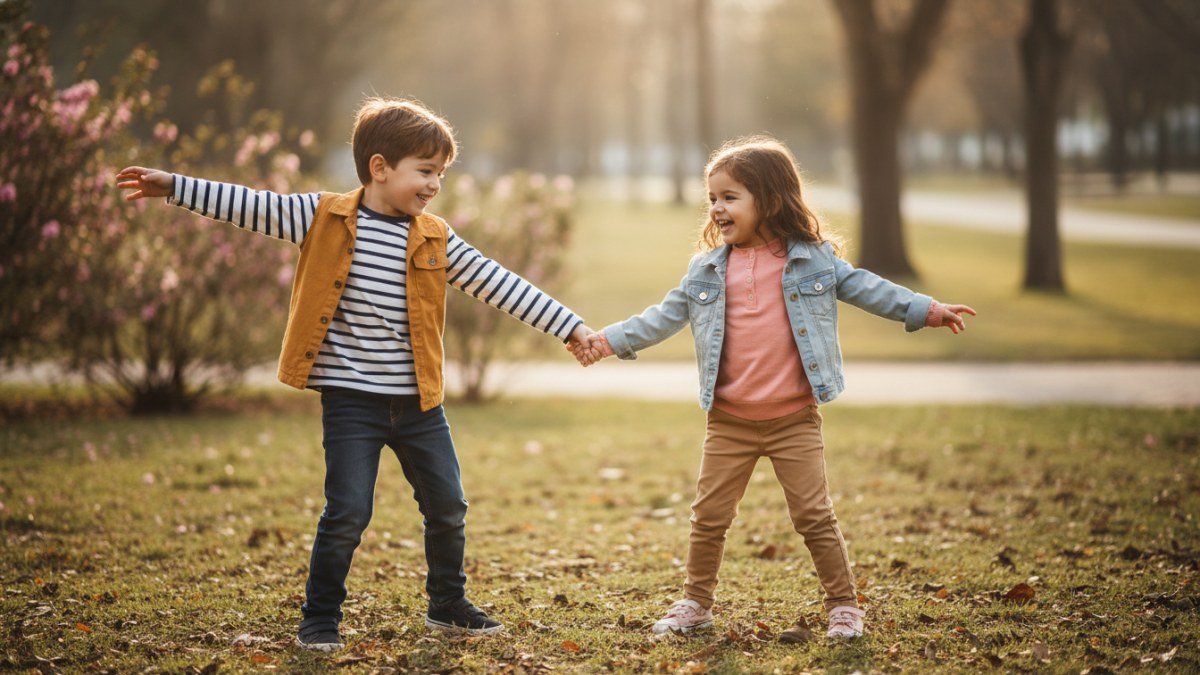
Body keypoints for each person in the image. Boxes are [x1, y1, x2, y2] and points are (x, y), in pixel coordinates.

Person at [117, 97, 595, 651]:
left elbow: (500, 282)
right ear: (379, 168)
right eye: (425, 171)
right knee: (347, 511)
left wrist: (570, 326)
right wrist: (173, 185)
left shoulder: (435, 237)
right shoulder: (322, 217)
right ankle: (319, 618)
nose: (435, 184)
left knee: (447, 505)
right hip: (352, 405)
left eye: (441, 172)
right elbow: (248, 204)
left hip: (419, 404)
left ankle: (447, 603)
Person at [570, 136, 975, 641]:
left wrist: (925, 309)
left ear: (771, 199)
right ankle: (695, 603)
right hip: (730, 421)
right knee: (709, 516)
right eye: (713, 197)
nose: (717, 207)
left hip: (793, 421)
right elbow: (662, 317)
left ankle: (844, 606)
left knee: (813, 514)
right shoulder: (708, 270)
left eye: (730, 196)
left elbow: (869, 287)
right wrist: (606, 341)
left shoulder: (813, 261)